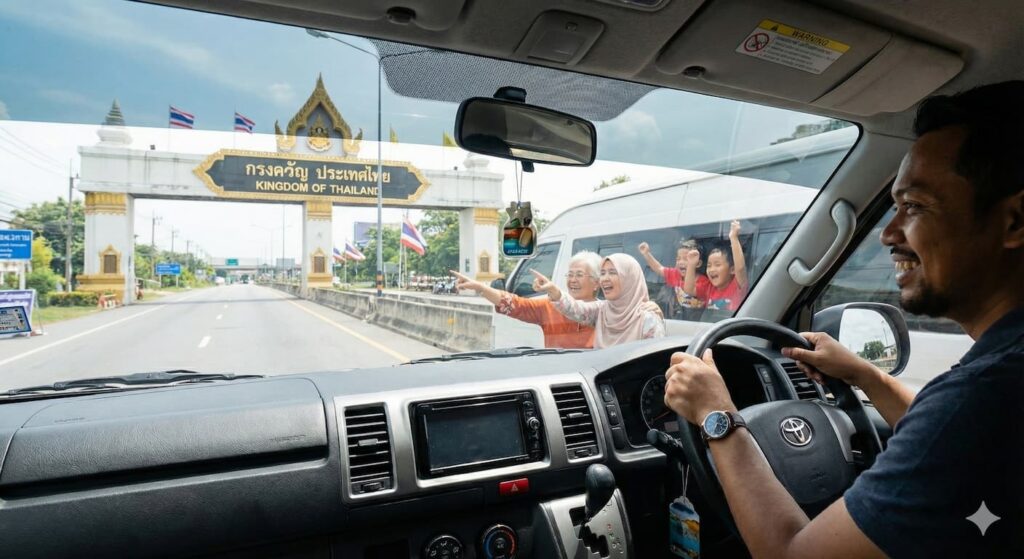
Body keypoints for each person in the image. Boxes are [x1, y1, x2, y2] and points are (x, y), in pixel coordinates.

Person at [663, 81, 1024, 558]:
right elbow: (950, 440)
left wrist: (718, 418)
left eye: (914, 206)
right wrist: (864, 375)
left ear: (1014, 221)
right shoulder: (991, 392)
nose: (888, 233)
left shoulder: (981, 398)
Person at [452, 251, 664, 349]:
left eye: (579, 275)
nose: (572, 280)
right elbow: (515, 304)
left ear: (595, 283)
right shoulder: (595, 311)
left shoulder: (639, 316)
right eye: (569, 275)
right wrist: (481, 288)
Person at [532, 253, 665, 348]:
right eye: (602, 273)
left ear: (629, 279)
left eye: (612, 272)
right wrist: (553, 290)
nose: (605, 279)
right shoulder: (602, 310)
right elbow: (575, 309)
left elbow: (655, 362)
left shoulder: (648, 319)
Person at [681, 220, 748, 311]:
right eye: (709, 265)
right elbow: (689, 290)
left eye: (717, 264)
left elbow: (740, 269)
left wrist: (733, 238)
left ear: (732, 269)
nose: (712, 269)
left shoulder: (737, 286)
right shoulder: (709, 288)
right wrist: (691, 265)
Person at [638, 238, 707, 317]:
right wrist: (646, 254)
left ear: (698, 263)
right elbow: (659, 268)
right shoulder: (676, 275)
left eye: (686, 259)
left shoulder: (703, 281)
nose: (681, 262)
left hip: (698, 318)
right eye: (678, 259)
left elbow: (690, 291)